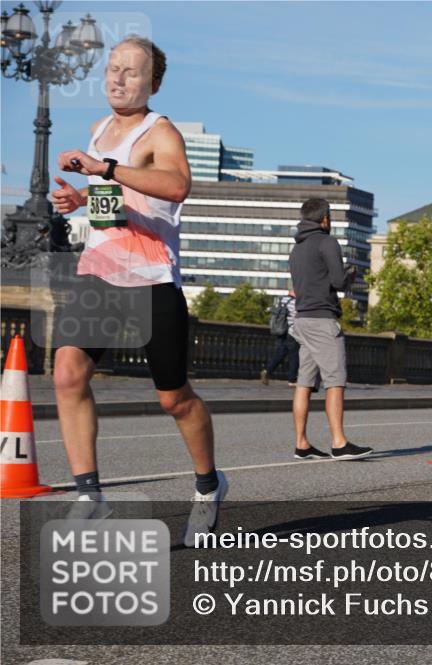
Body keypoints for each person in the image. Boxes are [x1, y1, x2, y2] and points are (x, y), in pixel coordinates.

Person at [50, 36, 225, 542]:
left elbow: (175, 187)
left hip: (150, 278)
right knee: (66, 373)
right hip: (99, 270)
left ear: (152, 82)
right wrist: (80, 198)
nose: (118, 78)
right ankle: (89, 497)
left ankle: (207, 486)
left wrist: (101, 167)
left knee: (174, 399)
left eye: (131, 72)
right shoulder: (98, 129)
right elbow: (118, 195)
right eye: (112, 68)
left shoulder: (161, 131)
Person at [288, 198, 372, 461]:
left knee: (304, 383)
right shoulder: (327, 242)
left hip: (302, 319)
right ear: (325, 219)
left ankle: (301, 443)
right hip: (323, 320)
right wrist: (351, 276)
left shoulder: (297, 249)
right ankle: (339, 442)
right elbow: (337, 281)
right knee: (335, 381)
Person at [261, 289, 299, 387]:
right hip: (291, 332)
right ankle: (292, 380)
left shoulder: (281, 300)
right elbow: (298, 317)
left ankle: (267, 371)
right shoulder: (296, 302)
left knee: (281, 353)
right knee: (294, 357)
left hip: (281, 331)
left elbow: (270, 309)